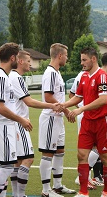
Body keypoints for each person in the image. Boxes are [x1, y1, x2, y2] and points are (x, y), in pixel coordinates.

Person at [63, 47, 107, 197]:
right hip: (88, 123)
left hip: (101, 122)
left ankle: (106, 192)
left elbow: (103, 100)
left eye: (84, 60)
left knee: (105, 158)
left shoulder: (102, 76)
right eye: (81, 60)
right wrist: (63, 105)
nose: (82, 63)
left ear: (93, 59)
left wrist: (81, 109)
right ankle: (83, 192)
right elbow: (78, 96)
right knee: (81, 155)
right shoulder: (84, 76)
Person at [9, 50, 64, 197]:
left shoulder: (13, 77)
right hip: (19, 122)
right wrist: (52, 106)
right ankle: (21, 194)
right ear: (20, 61)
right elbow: (29, 101)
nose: (30, 64)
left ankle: (17, 194)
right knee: (27, 159)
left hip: (16, 122)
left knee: (18, 161)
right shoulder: (16, 78)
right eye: (28, 61)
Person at [0, 42, 33, 196]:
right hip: (3, 126)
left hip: (7, 126)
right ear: (13, 58)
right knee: (7, 167)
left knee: (4, 166)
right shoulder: (0, 77)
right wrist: (20, 119)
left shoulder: (4, 76)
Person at [38, 43, 76, 197]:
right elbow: (48, 97)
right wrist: (67, 110)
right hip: (50, 118)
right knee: (48, 153)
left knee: (59, 151)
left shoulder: (57, 72)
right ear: (60, 55)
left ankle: (58, 186)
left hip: (58, 119)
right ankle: (46, 190)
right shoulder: (50, 73)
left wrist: (64, 112)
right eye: (66, 55)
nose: (67, 58)